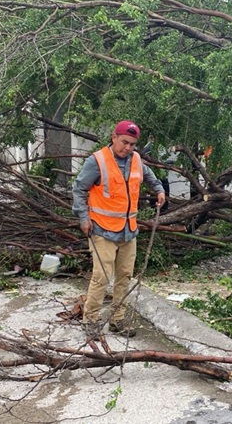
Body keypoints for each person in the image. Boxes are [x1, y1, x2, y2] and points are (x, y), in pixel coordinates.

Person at [72, 120, 166, 339]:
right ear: (114, 137)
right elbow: (79, 189)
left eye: (132, 144)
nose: (128, 148)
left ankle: (117, 319)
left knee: (125, 276)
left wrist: (159, 189)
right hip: (102, 230)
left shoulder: (136, 160)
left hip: (128, 231)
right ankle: (91, 320)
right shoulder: (97, 161)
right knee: (102, 277)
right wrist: (83, 218)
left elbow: (149, 176)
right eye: (124, 142)